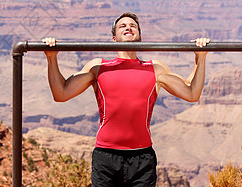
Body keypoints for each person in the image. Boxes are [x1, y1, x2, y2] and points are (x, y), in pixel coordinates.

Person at [42, 12, 210, 187]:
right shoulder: (98, 67)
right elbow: (61, 94)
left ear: (140, 37)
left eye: (133, 26)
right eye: (122, 26)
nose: (128, 27)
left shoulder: (156, 69)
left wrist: (200, 57)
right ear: (114, 38)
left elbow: (192, 94)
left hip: (142, 159)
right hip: (105, 157)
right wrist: (51, 58)